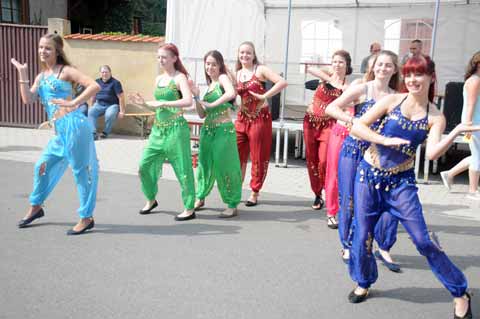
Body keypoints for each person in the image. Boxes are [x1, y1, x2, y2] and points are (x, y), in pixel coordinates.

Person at [347, 55, 476, 319]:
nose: (412, 80)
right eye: (408, 74)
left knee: (422, 240)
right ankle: (363, 281)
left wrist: (454, 132)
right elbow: (357, 127)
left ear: (431, 77)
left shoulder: (435, 116)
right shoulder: (392, 101)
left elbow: (431, 155)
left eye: (418, 74)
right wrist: (384, 139)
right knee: (362, 235)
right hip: (368, 177)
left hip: (400, 184)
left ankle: (460, 293)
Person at [11, 33, 100, 235]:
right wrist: (22, 75)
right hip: (60, 131)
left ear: (57, 51)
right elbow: (28, 99)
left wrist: (73, 102)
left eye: (48, 48)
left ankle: (86, 217)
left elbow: (94, 85)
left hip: (75, 127)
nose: (43, 51)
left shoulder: (66, 71)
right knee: (41, 167)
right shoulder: (41, 76)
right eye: (41, 47)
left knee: (81, 173)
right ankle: (36, 207)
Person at [326, 50, 401, 269]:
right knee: (349, 199)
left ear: (395, 69)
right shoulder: (362, 88)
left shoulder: (396, 97)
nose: (383, 68)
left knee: (381, 201)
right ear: (373, 67)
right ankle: (348, 245)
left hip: (378, 156)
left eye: (388, 65)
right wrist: (352, 120)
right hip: (353, 150)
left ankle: (382, 246)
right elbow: (332, 108)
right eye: (379, 64)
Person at [129, 43, 196, 221]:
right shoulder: (158, 79)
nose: (161, 60)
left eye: (164, 57)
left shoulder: (180, 78)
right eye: (158, 57)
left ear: (174, 58)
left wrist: (164, 103)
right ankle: (151, 199)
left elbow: (188, 101)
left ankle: (189, 207)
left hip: (176, 129)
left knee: (183, 169)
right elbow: (156, 107)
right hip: (158, 130)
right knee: (144, 166)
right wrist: (142, 103)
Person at [235, 41, 288, 206]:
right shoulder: (236, 73)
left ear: (253, 54)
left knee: (258, 156)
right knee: (237, 156)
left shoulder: (260, 70)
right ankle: (237, 188)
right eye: (242, 53)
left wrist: (265, 96)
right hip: (242, 119)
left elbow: (282, 82)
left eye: (248, 53)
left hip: (259, 118)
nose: (245, 56)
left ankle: (254, 192)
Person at [191, 50, 242, 217]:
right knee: (204, 165)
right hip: (207, 131)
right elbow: (201, 114)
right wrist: (197, 98)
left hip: (223, 131)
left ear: (219, 65)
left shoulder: (222, 78)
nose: (210, 67)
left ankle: (232, 203)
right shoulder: (209, 86)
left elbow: (231, 93)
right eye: (207, 64)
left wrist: (212, 105)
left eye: (213, 64)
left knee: (225, 166)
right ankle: (200, 196)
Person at [304, 50, 350, 229]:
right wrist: (330, 76)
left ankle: (328, 192)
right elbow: (310, 70)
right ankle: (317, 193)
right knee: (312, 160)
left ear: (347, 65)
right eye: (335, 61)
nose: (337, 65)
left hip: (328, 125)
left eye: (341, 62)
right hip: (310, 121)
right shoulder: (327, 75)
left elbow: (350, 100)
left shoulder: (347, 86)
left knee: (324, 161)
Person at [440, 51, 480, 200]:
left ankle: (449, 174)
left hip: (475, 123)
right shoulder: (475, 81)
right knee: (477, 155)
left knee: (477, 155)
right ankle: (472, 190)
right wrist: (468, 126)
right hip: (474, 123)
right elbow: (470, 104)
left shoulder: (476, 79)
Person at [88, 65, 126, 139]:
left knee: (109, 114)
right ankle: (93, 133)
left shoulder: (115, 83)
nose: (104, 74)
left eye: (106, 72)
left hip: (112, 105)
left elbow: (121, 97)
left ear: (110, 72)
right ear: (100, 73)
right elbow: (93, 95)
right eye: (103, 72)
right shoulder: (97, 82)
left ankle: (105, 132)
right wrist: (91, 106)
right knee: (91, 112)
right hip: (99, 104)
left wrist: (122, 111)